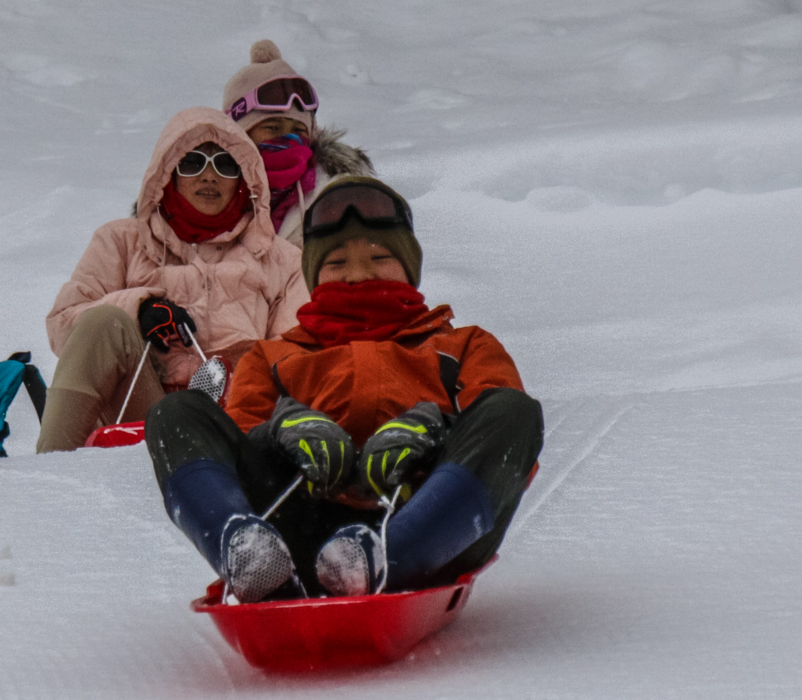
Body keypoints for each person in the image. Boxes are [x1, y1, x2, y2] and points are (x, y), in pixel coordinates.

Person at [145, 176, 544, 602]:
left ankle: (386, 557)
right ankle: (246, 550)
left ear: (410, 269)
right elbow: (238, 447)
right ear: (314, 276)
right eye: (336, 264)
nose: (359, 274)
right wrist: (281, 434)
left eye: (380, 257)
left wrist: (435, 432)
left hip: (432, 527)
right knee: (175, 413)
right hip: (297, 530)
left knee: (512, 410)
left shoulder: (463, 346)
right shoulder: (273, 356)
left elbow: (507, 455)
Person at [37, 108, 307, 453]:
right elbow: (63, 324)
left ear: (243, 179)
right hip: (140, 407)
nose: (209, 176)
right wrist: (140, 309)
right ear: (167, 175)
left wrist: (237, 369)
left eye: (225, 165)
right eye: (192, 163)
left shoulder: (281, 259)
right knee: (103, 321)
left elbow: (295, 357)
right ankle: (50, 469)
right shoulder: (121, 241)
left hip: (236, 420)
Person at [222, 40, 374, 244]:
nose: (288, 139)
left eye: (298, 131)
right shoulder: (211, 191)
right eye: (272, 128)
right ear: (240, 134)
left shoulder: (337, 196)